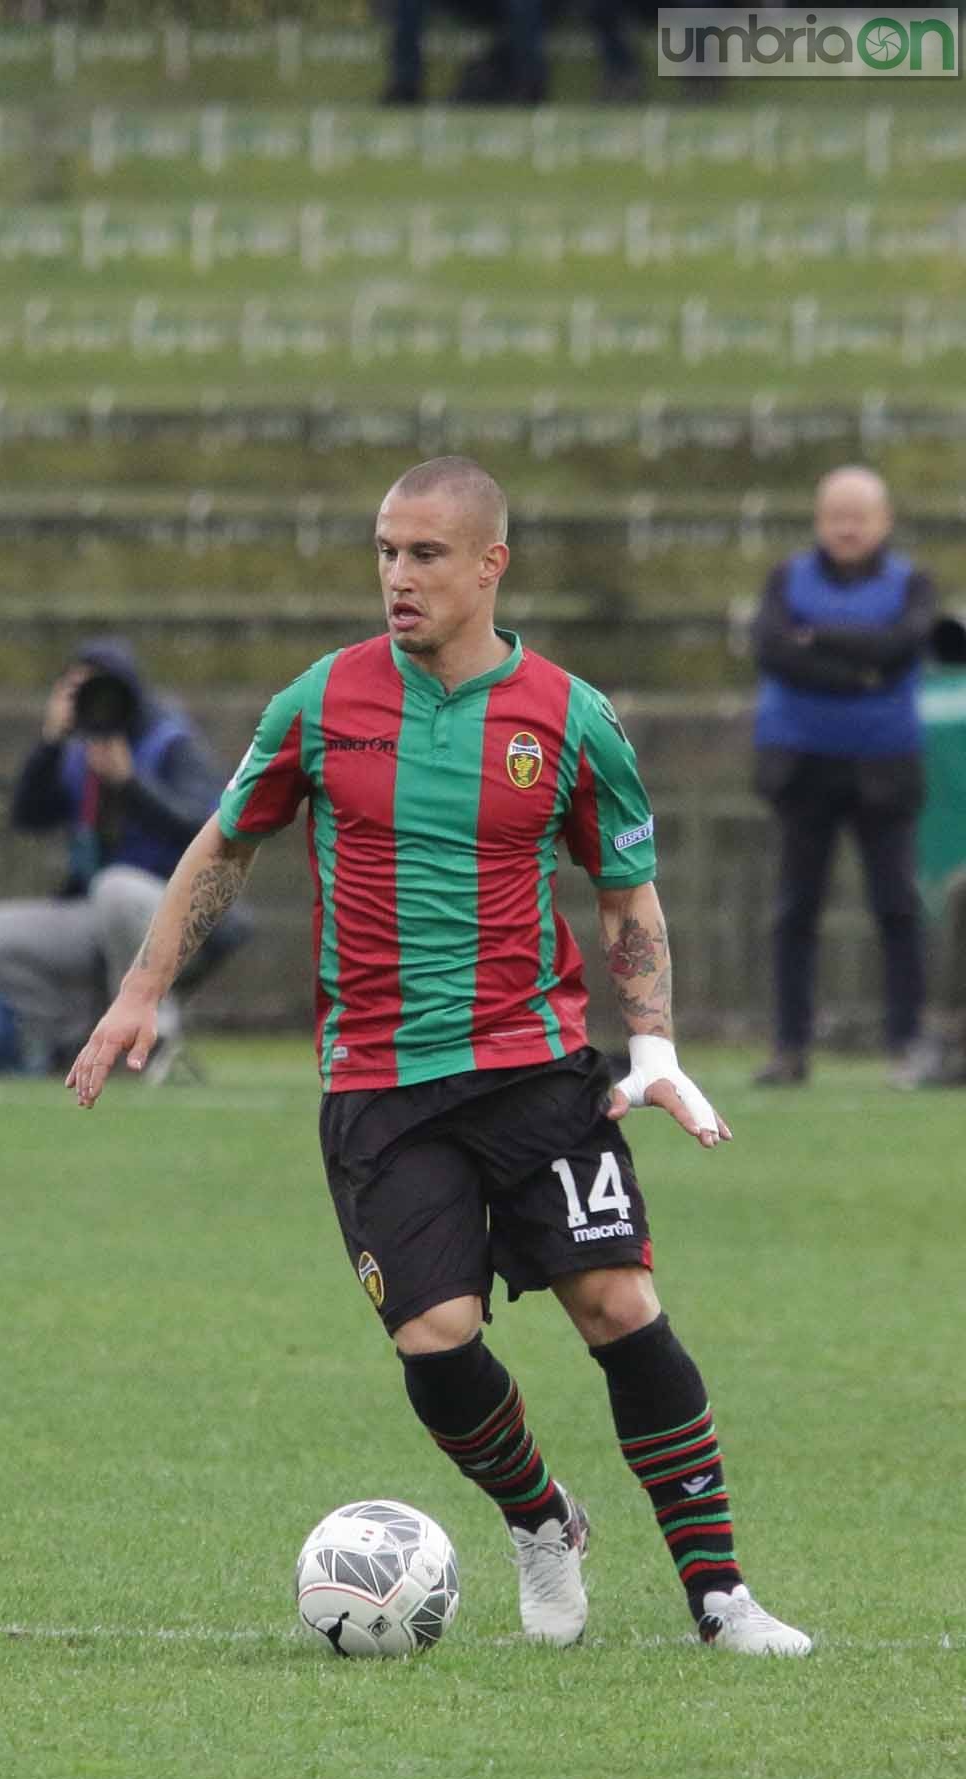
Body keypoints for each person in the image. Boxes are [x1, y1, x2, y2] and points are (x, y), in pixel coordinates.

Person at [69, 454, 810, 1657]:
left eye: (424, 555)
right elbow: (221, 845)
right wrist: (139, 991)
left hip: (537, 1070)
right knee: (437, 1340)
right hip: (378, 1084)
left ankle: (719, 1596)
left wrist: (656, 1042)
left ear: (488, 566)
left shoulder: (571, 718)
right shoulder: (320, 702)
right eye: (384, 553)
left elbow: (628, 897)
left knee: (621, 1304)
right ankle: (541, 1520)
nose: (397, 578)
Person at [0, 636, 232, 1073]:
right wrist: (50, 741)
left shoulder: (170, 741)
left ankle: (153, 1041)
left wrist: (130, 785)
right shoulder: (75, 753)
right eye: (80, 691)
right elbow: (27, 816)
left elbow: (210, 827)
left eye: (102, 690)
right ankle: (76, 1037)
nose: (95, 704)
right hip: (92, 912)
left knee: (115, 888)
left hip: (170, 908)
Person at [752, 466, 939, 1090]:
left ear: (884, 521)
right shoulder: (786, 578)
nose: (848, 527)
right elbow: (774, 649)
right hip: (801, 763)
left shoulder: (912, 583)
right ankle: (789, 1046)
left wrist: (819, 643)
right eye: (837, 515)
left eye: (860, 516)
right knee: (795, 909)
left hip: (885, 766)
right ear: (819, 520)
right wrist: (862, 672)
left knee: (896, 907)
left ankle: (907, 1043)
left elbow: (904, 645)